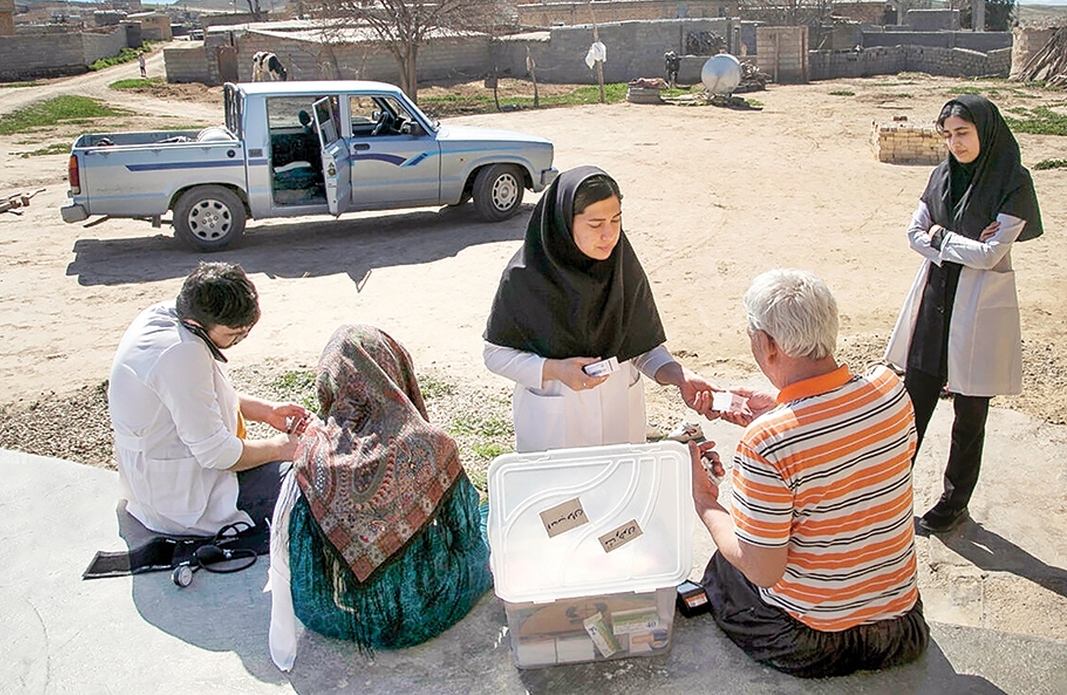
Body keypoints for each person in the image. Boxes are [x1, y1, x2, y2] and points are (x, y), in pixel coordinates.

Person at [691, 269, 929, 678]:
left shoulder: (766, 442)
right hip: (901, 626)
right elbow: (853, 461)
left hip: (813, 641)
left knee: (727, 563)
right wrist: (784, 408)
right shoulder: (889, 388)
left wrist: (704, 500)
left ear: (767, 345)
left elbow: (763, 569)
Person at [268, 325, 491, 669]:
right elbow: (466, 536)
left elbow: (300, 553)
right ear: (394, 370)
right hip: (432, 608)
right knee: (491, 520)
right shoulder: (430, 446)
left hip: (340, 616)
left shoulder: (311, 453)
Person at [885, 95, 1043, 533]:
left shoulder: (1012, 182)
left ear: (985, 131)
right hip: (936, 304)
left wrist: (939, 237)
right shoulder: (941, 177)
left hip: (978, 308)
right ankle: (891, 493)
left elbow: (992, 255)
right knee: (911, 407)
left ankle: (955, 502)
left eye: (964, 133)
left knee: (970, 416)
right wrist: (955, 241)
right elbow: (912, 233)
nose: (956, 143)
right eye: (949, 135)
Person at [483, 166, 716, 451]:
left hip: (620, 425)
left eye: (616, 221)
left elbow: (640, 346)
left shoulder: (622, 269)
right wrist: (554, 369)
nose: (609, 235)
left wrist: (680, 376)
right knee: (559, 496)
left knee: (621, 492)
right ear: (564, 222)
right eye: (595, 224)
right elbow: (495, 355)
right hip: (553, 432)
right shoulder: (525, 278)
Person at [107, 262, 310, 537]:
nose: (241, 339)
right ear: (197, 324)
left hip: (159, 482)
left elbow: (197, 398)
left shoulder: (167, 316)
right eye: (233, 334)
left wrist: (266, 411)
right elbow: (218, 453)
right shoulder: (181, 354)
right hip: (187, 503)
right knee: (309, 484)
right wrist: (280, 448)